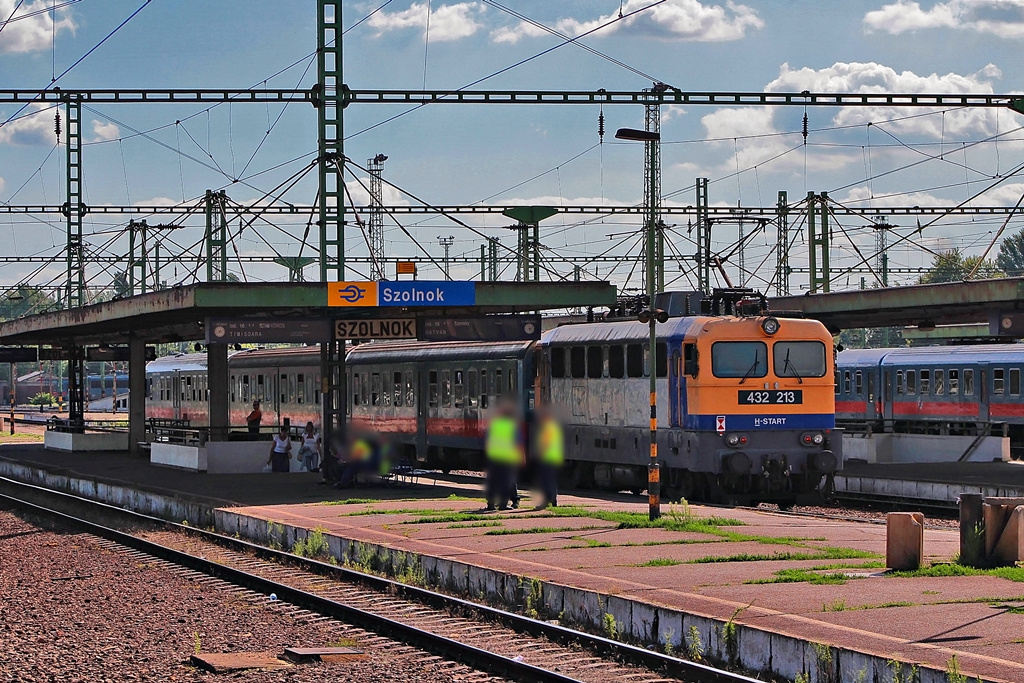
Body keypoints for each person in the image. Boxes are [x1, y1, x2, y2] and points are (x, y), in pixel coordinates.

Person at [484, 401, 523, 511]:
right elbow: (518, 443)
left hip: (494, 457)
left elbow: (487, 441)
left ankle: (490, 504)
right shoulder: (512, 426)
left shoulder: (494, 425)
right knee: (506, 481)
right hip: (507, 458)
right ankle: (503, 504)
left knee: (492, 481)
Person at [533, 408, 564, 509]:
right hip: (554, 457)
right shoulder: (554, 427)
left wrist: (539, 453)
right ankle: (554, 500)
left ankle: (546, 500)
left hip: (546, 457)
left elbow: (545, 443)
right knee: (552, 480)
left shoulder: (546, 428)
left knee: (545, 480)